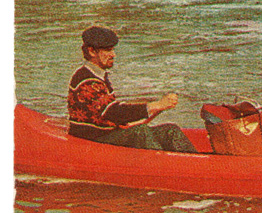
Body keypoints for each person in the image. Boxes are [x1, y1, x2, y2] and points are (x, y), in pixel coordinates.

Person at [67, 26, 197, 153]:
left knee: (170, 130)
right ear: (92, 51)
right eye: (108, 50)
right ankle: (165, 164)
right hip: (94, 138)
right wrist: (156, 105)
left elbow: (109, 112)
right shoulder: (85, 80)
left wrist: (154, 108)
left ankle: (194, 162)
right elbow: (113, 112)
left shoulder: (97, 75)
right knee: (140, 132)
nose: (113, 55)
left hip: (107, 133)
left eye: (113, 50)